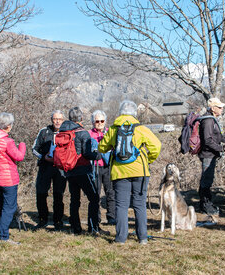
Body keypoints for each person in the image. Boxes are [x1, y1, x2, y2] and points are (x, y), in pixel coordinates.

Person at [98, 100, 161, 244]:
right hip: (140, 171)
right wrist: (149, 159)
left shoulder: (114, 129)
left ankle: (120, 238)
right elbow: (156, 145)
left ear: (120, 112)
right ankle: (143, 238)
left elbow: (102, 147)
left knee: (121, 205)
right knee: (139, 204)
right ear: (135, 113)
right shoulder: (141, 128)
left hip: (120, 172)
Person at [60, 107, 103, 235]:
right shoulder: (83, 133)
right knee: (94, 198)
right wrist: (98, 155)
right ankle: (93, 227)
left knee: (74, 199)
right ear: (81, 118)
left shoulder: (63, 131)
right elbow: (87, 153)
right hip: (82, 170)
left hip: (69, 170)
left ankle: (76, 228)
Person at [0, 112, 26, 244]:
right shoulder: (7, 142)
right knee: (9, 207)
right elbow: (19, 156)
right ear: (8, 126)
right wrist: (22, 146)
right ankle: (3, 236)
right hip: (8, 179)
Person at [198, 98, 225, 216]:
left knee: (207, 180)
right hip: (207, 154)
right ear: (213, 108)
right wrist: (223, 148)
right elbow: (208, 141)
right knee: (206, 181)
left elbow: (218, 137)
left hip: (210, 154)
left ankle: (205, 205)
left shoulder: (212, 119)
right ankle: (206, 206)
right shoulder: (208, 121)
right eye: (219, 107)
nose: (222, 109)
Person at [32, 110, 67, 230]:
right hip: (45, 167)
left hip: (60, 168)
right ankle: (43, 219)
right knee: (41, 193)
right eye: (55, 119)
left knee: (58, 194)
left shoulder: (67, 132)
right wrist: (43, 157)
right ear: (51, 120)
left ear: (63, 120)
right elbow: (34, 149)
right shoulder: (44, 131)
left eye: (60, 119)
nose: (57, 121)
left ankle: (58, 220)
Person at [88, 110, 116, 225]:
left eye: (102, 121)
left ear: (105, 121)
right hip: (95, 167)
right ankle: (96, 219)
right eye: (97, 121)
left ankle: (112, 217)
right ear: (93, 122)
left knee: (111, 193)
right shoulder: (89, 134)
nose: (99, 123)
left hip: (108, 167)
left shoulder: (110, 132)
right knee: (95, 194)